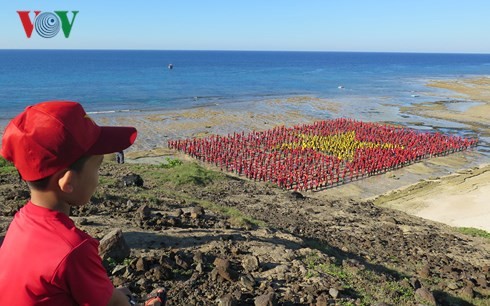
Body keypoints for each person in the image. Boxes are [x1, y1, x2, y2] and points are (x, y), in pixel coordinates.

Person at [0, 101, 165, 306]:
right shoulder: (74, 248)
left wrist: (111, 294)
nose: (98, 178)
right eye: (97, 168)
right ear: (68, 182)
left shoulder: (20, 223)